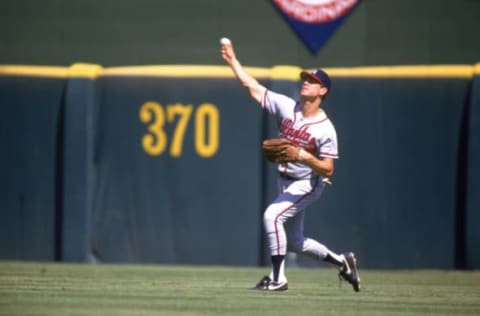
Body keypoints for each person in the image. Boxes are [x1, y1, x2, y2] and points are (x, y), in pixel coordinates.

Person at [220, 39, 361, 292]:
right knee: (295, 242)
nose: (306, 81)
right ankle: (343, 262)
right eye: (305, 78)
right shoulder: (287, 107)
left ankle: (277, 279)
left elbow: (328, 169)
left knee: (271, 216)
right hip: (284, 180)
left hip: (308, 183)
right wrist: (232, 61)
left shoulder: (325, 129)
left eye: (313, 81)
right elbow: (251, 86)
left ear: (322, 92)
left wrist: (303, 156)